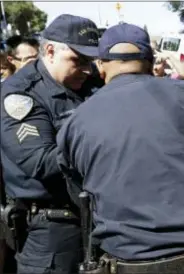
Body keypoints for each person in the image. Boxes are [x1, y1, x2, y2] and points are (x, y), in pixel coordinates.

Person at [57, 22, 184, 274]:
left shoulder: (76, 122)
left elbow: (80, 195)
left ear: (101, 65)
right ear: (149, 60)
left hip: (130, 263)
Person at [0, 14, 99, 273]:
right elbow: (41, 162)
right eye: (78, 60)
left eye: (91, 61)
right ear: (51, 51)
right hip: (52, 229)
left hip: (99, 220)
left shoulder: (91, 81)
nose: (88, 69)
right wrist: (107, 146)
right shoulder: (21, 94)